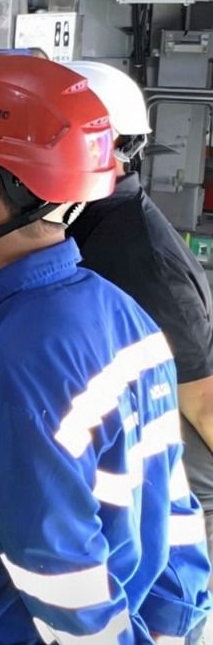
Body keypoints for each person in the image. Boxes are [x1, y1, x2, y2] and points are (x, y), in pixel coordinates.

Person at [0, 53, 210, 644]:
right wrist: (170, 625)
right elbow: (171, 507)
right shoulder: (122, 314)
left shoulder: (9, 365)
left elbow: (65, 586)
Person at [67, 59, 213, 582]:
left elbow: (203, 401)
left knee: (157, 599)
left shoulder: (143, 256)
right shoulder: (86, 221)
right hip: (121, 458)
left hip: (172, 481)